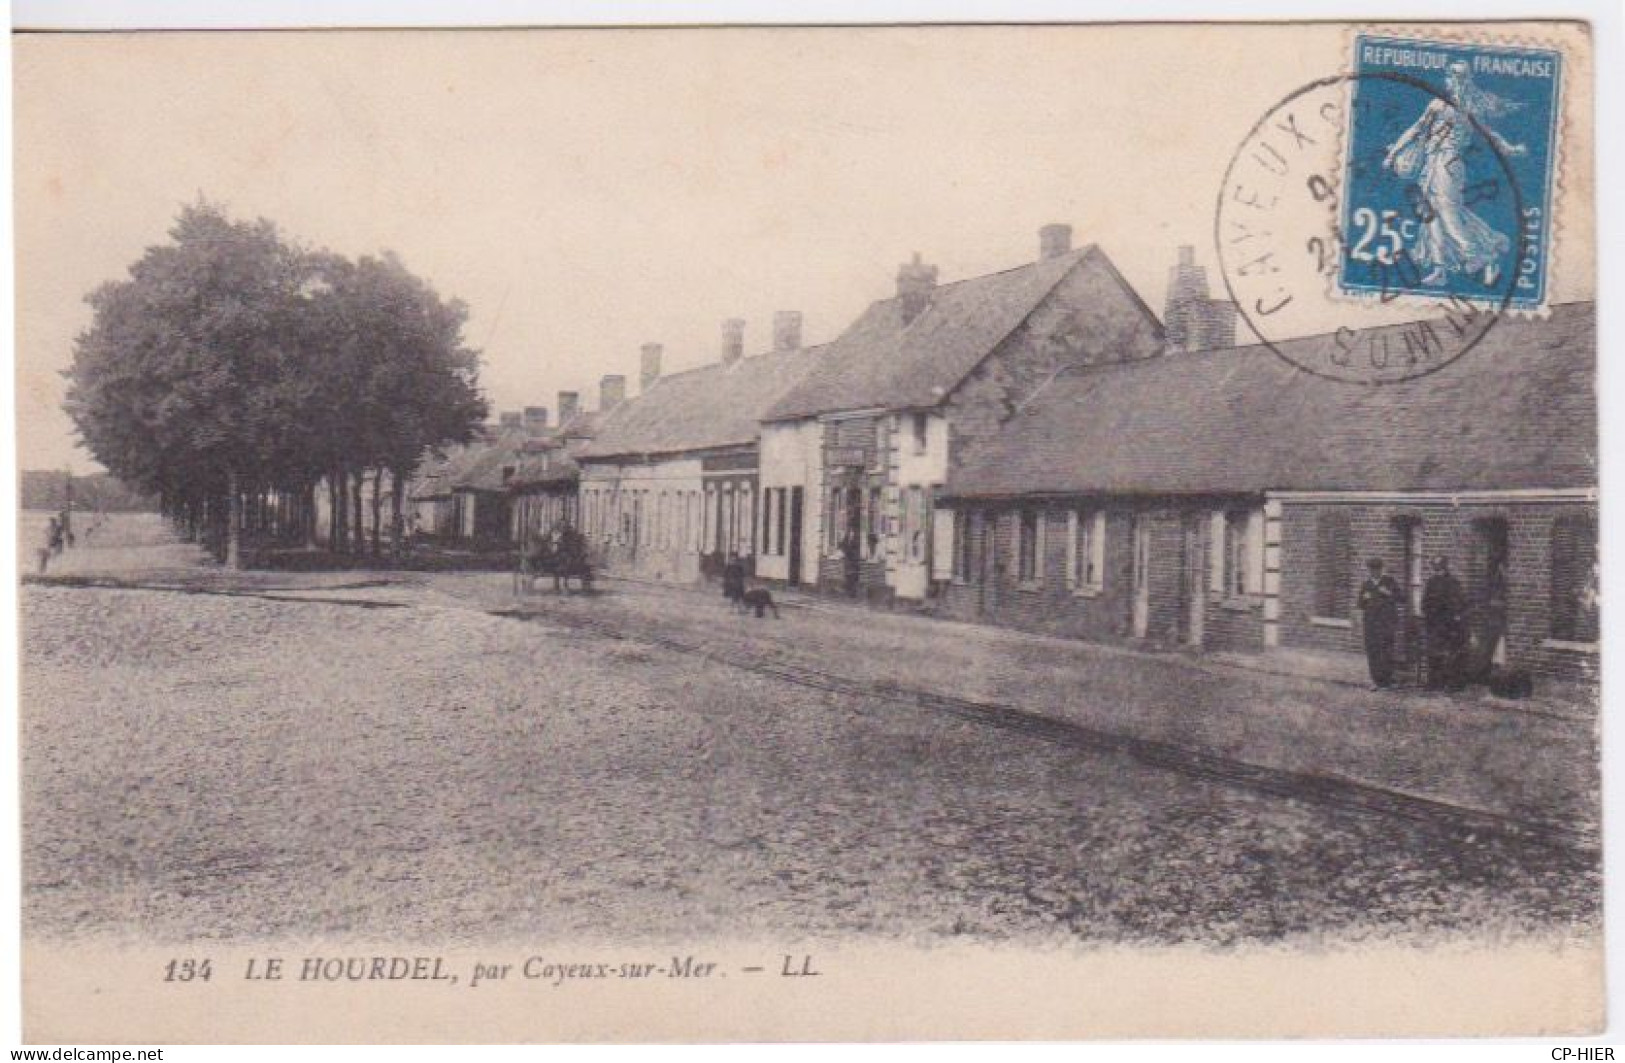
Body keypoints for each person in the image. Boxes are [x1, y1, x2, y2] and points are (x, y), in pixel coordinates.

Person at [1382, 60, 1526, 289]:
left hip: (1448, 166)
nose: (1451, 81)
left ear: (1461, 80)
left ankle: (1480, 256)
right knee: (1431, 217)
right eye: (1451, 76)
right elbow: (1416, 129)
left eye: (1455, 77)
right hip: (1431, 164)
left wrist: (1509, 148)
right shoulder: (1438, 104)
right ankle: (1440, 270)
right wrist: (1393, 154)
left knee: (1448, 214)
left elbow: (1488, 134)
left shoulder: (1463, 108)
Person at [1422, 556, 1469, 690]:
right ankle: (1434, 682)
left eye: (1440, 566)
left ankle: (1452, 683)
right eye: (1435, 566)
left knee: (1451, 654)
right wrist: (1429, 614)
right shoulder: (1431, 583)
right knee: (1433, 654)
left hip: (1449, 625)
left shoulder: (1453, 583)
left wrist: (1454, 618)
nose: (1437, 569)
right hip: (1434, 624)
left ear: (1445, 567)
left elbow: (1460, 603)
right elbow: (1424, 603)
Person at [1357, 558, 1403, 689]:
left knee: (1386, 650)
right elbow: (1359, 604)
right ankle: (1376, 681)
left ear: (1382, 569)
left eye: (1377, 570)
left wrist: (1389, 593)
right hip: (1371, 624)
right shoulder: (1366, 585)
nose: (1374, 573)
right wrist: (1364, 599)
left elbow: (1401, 598)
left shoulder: (1389, 582)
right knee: (1373, 651)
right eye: (1372, 570)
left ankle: (1387, 680)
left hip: (1386, 623)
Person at [839, 528, 861, 598]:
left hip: (852, 563)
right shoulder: (848, 539)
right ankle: (850, 591)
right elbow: (842, 546)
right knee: (849, 574)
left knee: (852, 574)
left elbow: (853, 550)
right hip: (849, 563)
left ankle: (852, 591)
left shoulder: (855, 541)